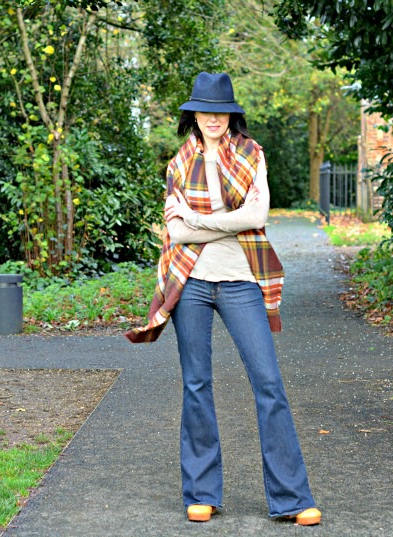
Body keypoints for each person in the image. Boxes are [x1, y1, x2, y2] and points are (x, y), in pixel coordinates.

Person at [125, 72, 320, 526]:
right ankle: (201, 492)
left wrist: (197, 218)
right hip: (190, 280)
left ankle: (292, 498)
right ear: (193, 114)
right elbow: (176, 233)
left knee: (268, 382)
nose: (213, 118)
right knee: (196, 384)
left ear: (231, 114)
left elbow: (260, 214)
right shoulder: (178, 164)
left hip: (241, 280)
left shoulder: (252, 155)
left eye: (221, 110)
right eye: (204, 110)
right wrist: (225, 220)